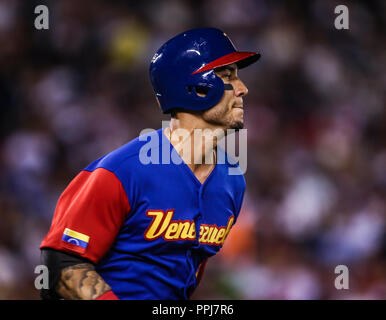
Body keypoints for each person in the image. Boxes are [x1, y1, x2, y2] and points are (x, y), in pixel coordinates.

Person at [39, 27, 260, 300]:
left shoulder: (232, 180)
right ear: (196, 87)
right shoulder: (122, 172)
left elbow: (189, 268)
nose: (243, 89)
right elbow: (60, 266)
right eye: (227, 76)